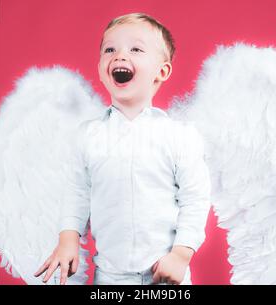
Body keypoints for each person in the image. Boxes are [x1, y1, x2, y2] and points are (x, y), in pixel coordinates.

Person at [34, 12, 211, 285]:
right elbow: (76, 192)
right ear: (101, 69)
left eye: (136, 49)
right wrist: (68, 237)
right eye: (110, 49)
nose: (119, 56)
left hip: (166, 275)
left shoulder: (179, 136)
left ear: (161, 71)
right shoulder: (88, 136)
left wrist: (181, 254)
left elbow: (195, 199)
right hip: (109, 278)